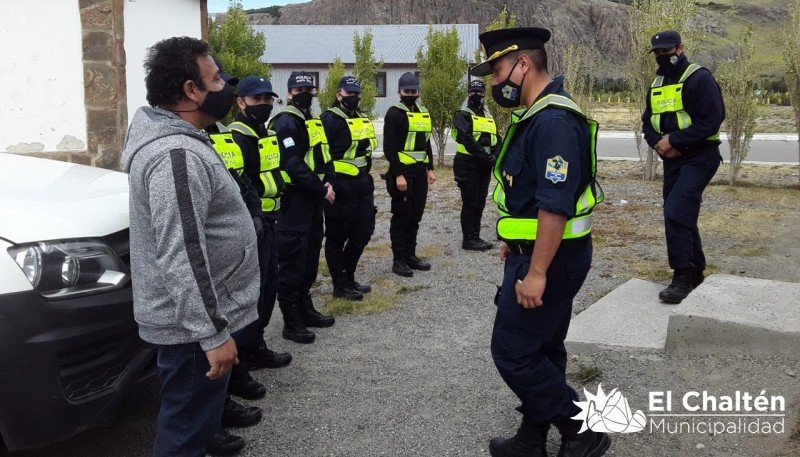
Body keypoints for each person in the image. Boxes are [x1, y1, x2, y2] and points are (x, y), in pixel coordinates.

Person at [471, 27, 609, 457]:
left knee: (513, 352)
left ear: (522, 63)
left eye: (496, 71)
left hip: (552, 260)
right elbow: (529, 199)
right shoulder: (536, 116)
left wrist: (535, 272)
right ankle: (533, 439)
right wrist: (519, 243)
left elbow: (554, 206)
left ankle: (583, 430)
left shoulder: (552, 120)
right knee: (544, 347)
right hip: (541, 253)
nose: (494, 83)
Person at [122, 37, 259, 457]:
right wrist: (212, 335)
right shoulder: (175, 153)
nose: (224, 87)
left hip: (197, 323)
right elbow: (181, 252)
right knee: (184, 435)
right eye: (215, 78)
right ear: (190, 90)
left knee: (196, 426)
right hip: (192, 332)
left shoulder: (183, 139)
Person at [641, 30, 724, 304]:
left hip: (701, 157)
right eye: (659, 53)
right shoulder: (656, 83)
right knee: (681, 213)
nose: (663, 57)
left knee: (676, 211)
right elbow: (647, 123)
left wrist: (673, 139)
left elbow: (711, 120)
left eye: (667, 51)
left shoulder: (699, 78)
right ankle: (696, 271)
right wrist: (660, 144)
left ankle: (682, 277)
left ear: (681, 48)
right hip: (673, 158)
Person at [225, 75, 296, 370]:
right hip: (252, 224)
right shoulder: (237, 135)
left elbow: (274, 171)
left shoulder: (265, 133)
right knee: (251, 294)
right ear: (241, 102)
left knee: (268, 288)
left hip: (271, 219)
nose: (265, 104)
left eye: (268, 99)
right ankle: (242, 356)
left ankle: (257, 344)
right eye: (258, 99)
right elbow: (242, 184)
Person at [269, 71, 336, 344]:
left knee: (309, 256)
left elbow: (324, 154)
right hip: (295, 200)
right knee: (293, 260)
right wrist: (321, 188)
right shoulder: (285, 121)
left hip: (315, 198)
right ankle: (290, 320)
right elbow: (292, 163)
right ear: (289, 93)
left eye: (308, 89)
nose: (305, 93)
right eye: (299, 90)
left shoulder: (313, 119)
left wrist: (330, 180)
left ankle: (305, 306)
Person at [320, 76, 378, 300]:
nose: (353, 97)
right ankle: (340, 283)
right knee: (337, 235)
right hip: (340, 185)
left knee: (363, 231)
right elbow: (323, 154)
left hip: (363, 183)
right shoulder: (329, 119)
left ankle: (350, 275)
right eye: (349, 93)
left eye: (356, 94)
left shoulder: (362, 118)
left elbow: (368, 147)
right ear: (338, 94)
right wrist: (328, 183)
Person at [382, 72, 436, 277]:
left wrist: (430, 168)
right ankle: (399, 260)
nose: (411, 94)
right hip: (402, 173)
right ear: (399, 92)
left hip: (419, 172)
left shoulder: (422, 112)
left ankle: (410, 256)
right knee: (401, 217)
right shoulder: (394, 113)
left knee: (415, 216)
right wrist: (398, 175)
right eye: (407, 91)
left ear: (418, 92)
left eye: (414, 91)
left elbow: (426, 142)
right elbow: (389, 147)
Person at [452, 79, 501, 251]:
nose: (476, 95)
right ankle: (468, 239)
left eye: (479, 93)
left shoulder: (488, 116)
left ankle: (476, 236)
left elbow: (496, 138)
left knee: (480, 202)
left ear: (485, 95)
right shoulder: (463, 114)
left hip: (484, 164)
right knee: (470, 201)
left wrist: (495, 154)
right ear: (468, 94)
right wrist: (485, 156)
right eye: (473, 92)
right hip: (467, 163)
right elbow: (467, 139)